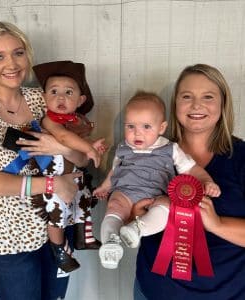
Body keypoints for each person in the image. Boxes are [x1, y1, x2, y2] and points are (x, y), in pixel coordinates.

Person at [0, 21, 88, 300]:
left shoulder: (43, 98)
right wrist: (52, 184)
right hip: (8, 237)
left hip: (55, 229)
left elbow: (81, 158)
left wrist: (57, 146)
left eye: (18, 53)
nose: (11, 64)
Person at [133, 64, 245, 300]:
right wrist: (134, 213)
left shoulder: (241, 157)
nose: (196, 105)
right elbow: (125, 205)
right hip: (156, 290)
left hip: (229, 292)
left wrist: (217, 225)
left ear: (223, 104)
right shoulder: (146, 152)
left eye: (208, 97)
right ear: (175, 105)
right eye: (187, 97)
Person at [93, 91, 221, 269]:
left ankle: (138, 229)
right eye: (130, 126)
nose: (137, 133)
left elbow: (191, 169)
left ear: (161, 128)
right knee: (114, 206)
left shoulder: (170, 149)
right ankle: (110, 242)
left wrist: (207, 182)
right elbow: (115, 171)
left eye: (146, 127)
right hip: (125, 192)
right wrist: (104, 187)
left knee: (166, 207)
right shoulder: (123, 147)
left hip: (156, 195)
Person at [30, 61, 105, 272]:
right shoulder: (50, 121)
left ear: (80, 100)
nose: (61, 97)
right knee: (57, 213)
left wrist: (91, 147)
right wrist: (88, 149)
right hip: (53, 180)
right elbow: (64, 138)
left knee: (84, 199)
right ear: (44, 97)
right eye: (54, 91)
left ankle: (84, 236)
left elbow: (79, 156)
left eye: (68, 92)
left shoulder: (78, 122)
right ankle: (59, 248)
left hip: (73, 178)